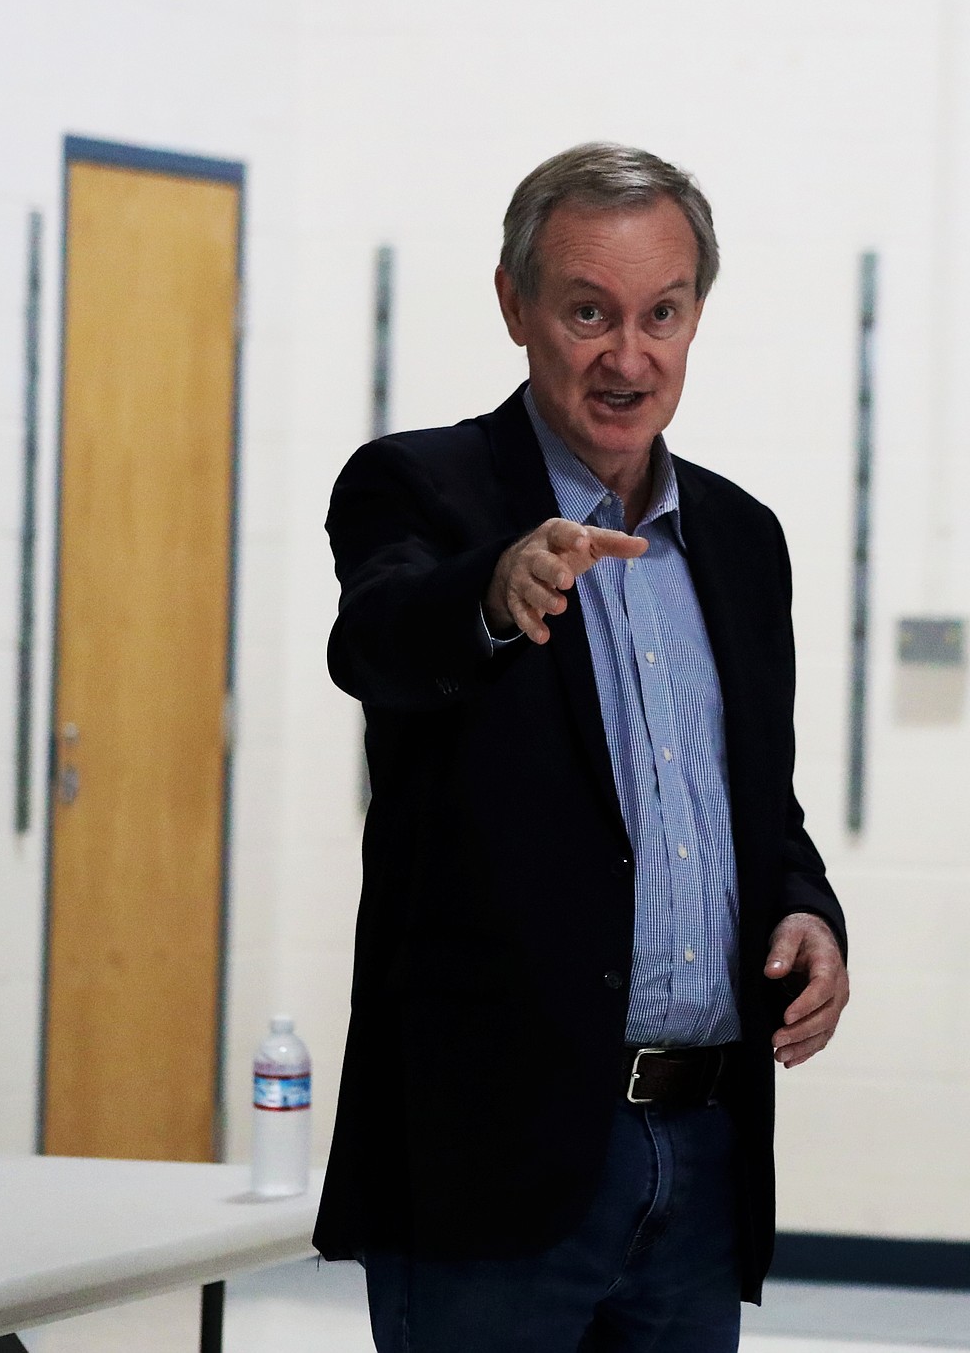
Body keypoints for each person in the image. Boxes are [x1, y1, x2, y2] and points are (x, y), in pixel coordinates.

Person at [314, 142, 850, 1353]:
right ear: (514, 304)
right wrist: (494, 597)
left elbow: (754, 801)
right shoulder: (421, 487)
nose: (629, 356)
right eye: (588, 312)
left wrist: (809, 908)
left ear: (697, 313)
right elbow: (377, 642)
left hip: (705, 1148)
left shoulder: (740, 537)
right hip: (495, 1160)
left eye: (663, 313)